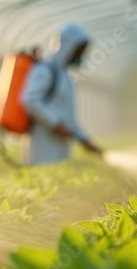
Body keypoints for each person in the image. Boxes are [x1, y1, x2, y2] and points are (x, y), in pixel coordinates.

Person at [20, 22, 103, 166]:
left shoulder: (64, 76)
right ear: (68, 46)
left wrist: (85, 140)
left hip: (60, 145)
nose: (81, 55)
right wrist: (55, 124)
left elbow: (68, 117)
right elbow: (29, 99)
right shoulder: (45, 70)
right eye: (79, 50)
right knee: (44, 179)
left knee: (58, 179)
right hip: (43, 144)